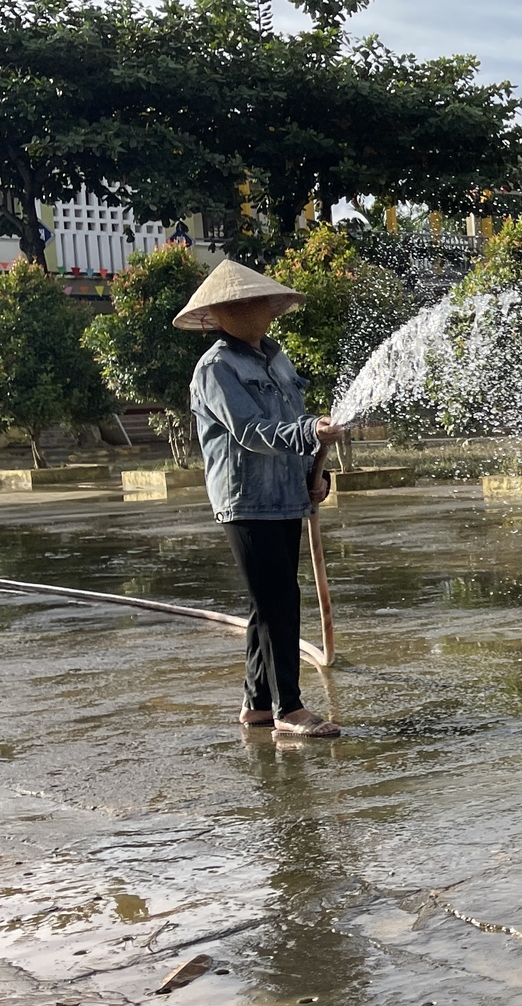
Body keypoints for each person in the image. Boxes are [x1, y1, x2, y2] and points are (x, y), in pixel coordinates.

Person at [175, 260, 345, 738]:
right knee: (278, 601)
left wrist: (316, 473)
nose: (256, 312)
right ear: (221, 314)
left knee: (267, 602)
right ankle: (290, 709)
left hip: (287, 495)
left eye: (259, 304)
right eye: (243, 305)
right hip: (246, 498)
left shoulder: (277, 359)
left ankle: (256, 705)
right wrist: (308, 431)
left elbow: (292, 422)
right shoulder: (216, 368)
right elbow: (251, 431)